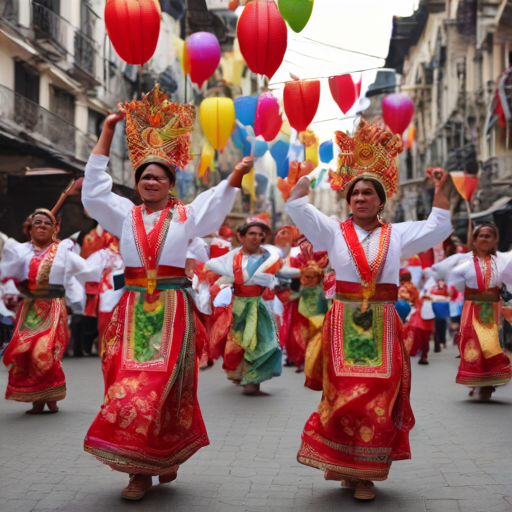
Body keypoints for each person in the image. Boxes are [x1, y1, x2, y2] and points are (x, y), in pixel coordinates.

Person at [81, 85, 253, 500]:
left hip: (173, 308)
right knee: (127, 385)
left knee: (163, 386)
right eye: (144, 176)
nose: (150, 181)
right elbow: (94, 192)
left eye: (158, 176)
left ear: (171, 182)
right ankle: (138, 467)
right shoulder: (124, 214)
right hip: (132, 307)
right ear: (136, 184)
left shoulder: (187, 215)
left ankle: (155, 461)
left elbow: (214, 203)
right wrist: (106, 132)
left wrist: (235, 176)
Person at [284, 119, 452, 501]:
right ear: (348, 200)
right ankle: (346, 464)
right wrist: (306, 177)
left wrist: (442, 188)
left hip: (382, 323)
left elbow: (440, 225)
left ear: (381, 200)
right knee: (342, 394)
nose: (360, 198)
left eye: (368, 193)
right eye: (355, 193)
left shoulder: (398, 235)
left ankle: (366, 474)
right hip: (343, 321)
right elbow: (296, 206)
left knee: (379, 392)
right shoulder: (332, 231)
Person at [1, 209, 90, 414]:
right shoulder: (21, 251)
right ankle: (41, 397)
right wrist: (10, 294)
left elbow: (77, 276)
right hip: (29, 308)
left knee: (44, 352)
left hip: (52, 306)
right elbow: (9, 276)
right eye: (37, 222)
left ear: (54, 229)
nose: (42, 226)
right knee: (26, 353)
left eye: (47, 223)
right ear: (29, 229)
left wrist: (78, 304)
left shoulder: (63, 250)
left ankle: (47, 397)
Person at [205, 217, 283, 395]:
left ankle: (253, 379)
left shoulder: (269, 257)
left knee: (262, 343)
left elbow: (277, 278)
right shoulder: (232, 256)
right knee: (238, 344)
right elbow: (212, 269)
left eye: (260, 234)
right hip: (238, 308)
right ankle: (242, 375)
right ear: (241, 236)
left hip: (259, 306)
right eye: (251, 234)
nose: (256, 238)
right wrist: (225, 283)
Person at [445, 223, 512, 399]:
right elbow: (455, 284)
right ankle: (477, 380)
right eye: (480, 236)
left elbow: (505, 288)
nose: (484, 239)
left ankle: (488, 383)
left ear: (495, 239)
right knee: (473, 345)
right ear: (474, 240)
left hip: (491, 310)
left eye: (488, 236)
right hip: (471, 309)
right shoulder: (464, 261)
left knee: (490, 345)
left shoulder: (501, 261)